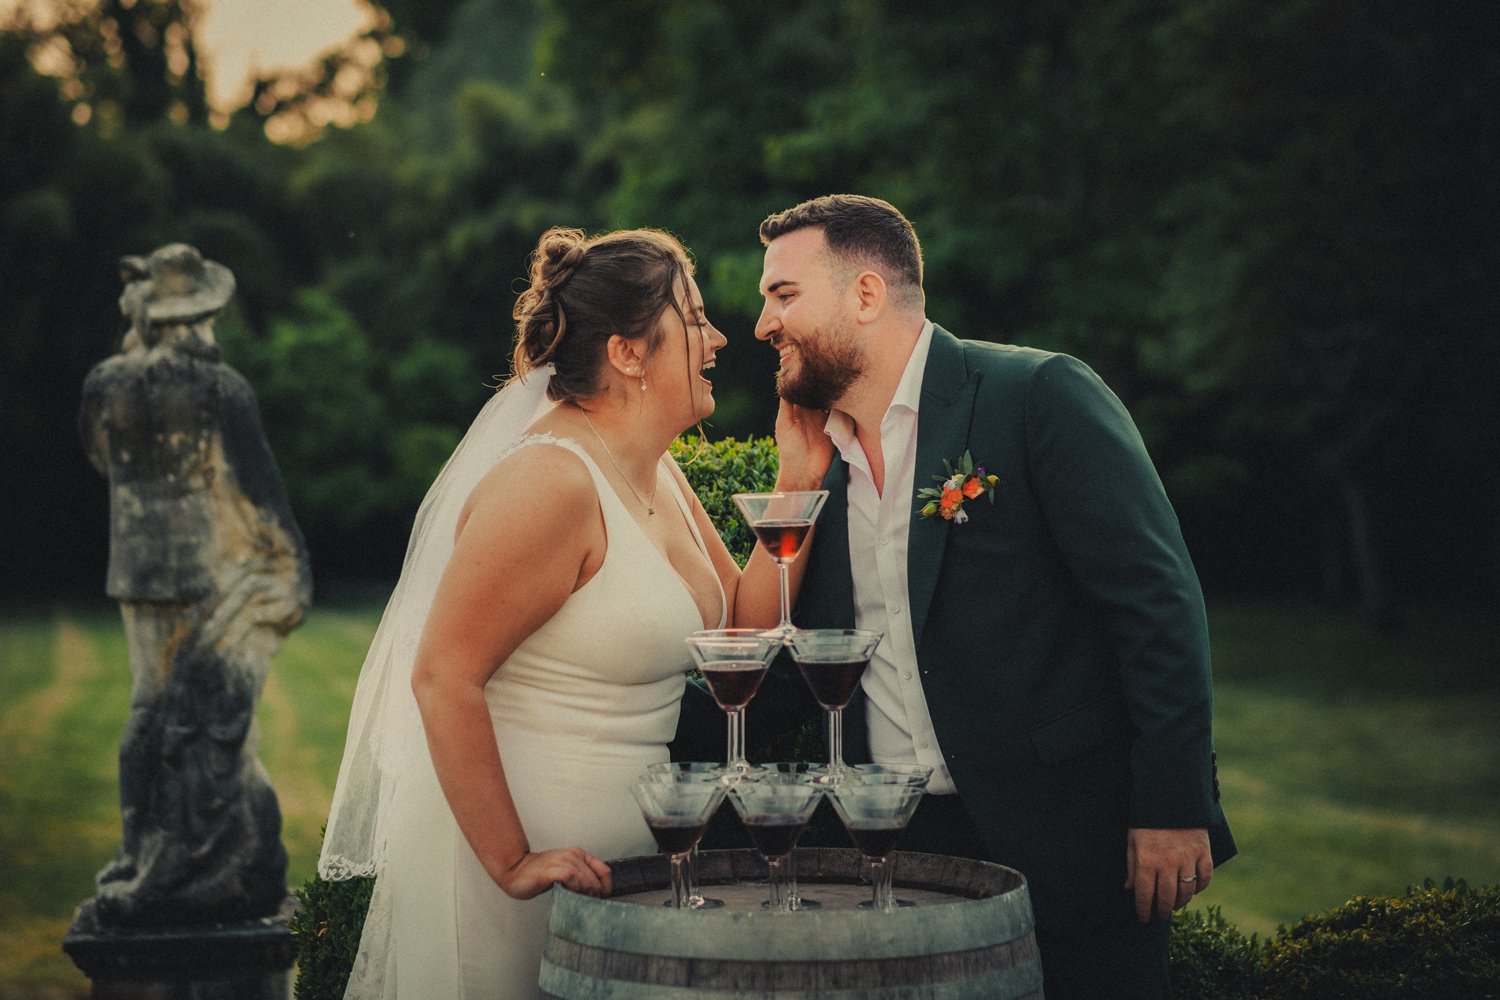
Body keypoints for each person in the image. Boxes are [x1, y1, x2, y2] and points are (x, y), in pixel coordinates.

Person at [319, 226, 827, 999]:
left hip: (628, 883)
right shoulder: (551, 483)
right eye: (694, 320)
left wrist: (796, 484)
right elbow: (442, 673)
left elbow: (741, 636)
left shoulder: (658, 473)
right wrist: (512, 861)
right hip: (516, 885)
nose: (719, 338)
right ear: (629, 352)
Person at [752, 195, 1235, 999]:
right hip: (896, 851)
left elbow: (1155, 606)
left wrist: (1173, 804)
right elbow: (796, 663)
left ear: (866, 295)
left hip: (1071, 835)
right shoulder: (816, 465)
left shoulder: (1034, 394)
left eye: (783, 295)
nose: (765, 324)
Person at [79, 243, 310, 927]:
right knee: (208, 717)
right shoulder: (219, 390)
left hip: (136, 571)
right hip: (210, 569)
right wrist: (291, 560)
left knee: (148, 706)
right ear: (204, 311)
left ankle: (136, 848)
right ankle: (200, 861)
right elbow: (258, 487)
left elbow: (100, 457)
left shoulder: (106, 382)